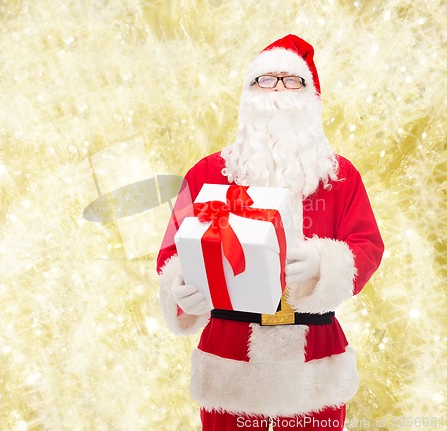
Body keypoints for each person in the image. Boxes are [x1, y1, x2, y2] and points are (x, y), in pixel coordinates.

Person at [156, 34, 384, 431]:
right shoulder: (209, 173)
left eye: (291, 80)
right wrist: (179, 288)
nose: (278, 89)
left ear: (311, 97)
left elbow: (367, 246)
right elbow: (173, 250)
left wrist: (323, 263)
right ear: (247, 94)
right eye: (266, 79)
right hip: (230, 361)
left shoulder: (340, 177)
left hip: (313, 362)